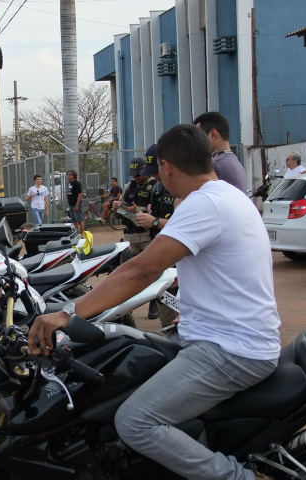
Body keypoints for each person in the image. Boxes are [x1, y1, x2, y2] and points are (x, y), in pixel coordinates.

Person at [29, 124, 281, 480]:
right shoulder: (227, 194)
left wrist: (68, 313)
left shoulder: (203, 204)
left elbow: (141, 271)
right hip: (221, 335)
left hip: (232, 349)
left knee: (135, 421)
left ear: (167, 167)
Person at [135, 144, 177, 325]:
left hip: (174, 254)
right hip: (159, 245)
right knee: (162, 294)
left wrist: (154, 221)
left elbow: (182, 225)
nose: (153, 176)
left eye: (156, 171)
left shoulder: (183, 191)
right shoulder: (158, 188)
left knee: (172, 300)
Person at [194, 111, 247, 192]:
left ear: (213, 135)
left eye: (199, 137)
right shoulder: (233, 160)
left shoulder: (216, 166)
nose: (196, 142)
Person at [116, 157, 157, 256]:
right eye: (133, 175)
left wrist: (137, 210)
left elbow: (155, 211)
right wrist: (117, 207)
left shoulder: (155, 185)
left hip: (147, 236)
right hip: (130, 235)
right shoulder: (130, 186)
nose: (135, 177)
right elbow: (121, 204)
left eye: (137, 174)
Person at [66, 170, 84, 235]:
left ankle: (82, 235)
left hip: (76, 205)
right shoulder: (70, 183)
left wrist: (77, 205)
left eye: (70, 175)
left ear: (73, 175)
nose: (68, 176)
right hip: (71, 205)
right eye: (68, 174)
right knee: (74, 221)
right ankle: (77, 234)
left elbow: (80, 194)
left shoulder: (77, 183)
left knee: (79, 221)